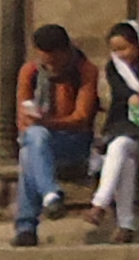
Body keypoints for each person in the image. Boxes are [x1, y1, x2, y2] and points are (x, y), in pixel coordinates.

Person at [10, 23, 92, 244]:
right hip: (39, 139)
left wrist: (49, 123)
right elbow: (23, 115)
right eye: (44, 60)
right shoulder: (30, 71)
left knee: (32, 149)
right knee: (33, 144)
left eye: (54, 60)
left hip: (74, 142)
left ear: (65, 52)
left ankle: (26, 226)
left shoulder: (84, 70)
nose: (49, 65)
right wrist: (35, 122)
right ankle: (51, 194)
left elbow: (81, 117)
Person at [85, 19, 139, 241]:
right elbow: (122, 93)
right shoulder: (114, 69)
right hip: (124, 133)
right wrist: (132, 99)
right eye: (115, 50)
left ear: (138, 45)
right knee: (122, 152)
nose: (120, 54)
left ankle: (99, 204)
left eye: (124, 48)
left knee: (121, 147)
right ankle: (126, 224)